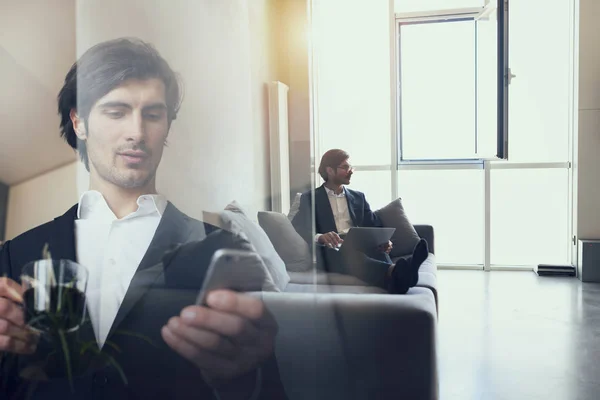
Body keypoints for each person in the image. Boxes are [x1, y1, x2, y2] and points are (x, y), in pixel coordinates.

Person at [0, 38, 287, 399]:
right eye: (116, 111)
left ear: (167, 125)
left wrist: (242, 381)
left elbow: (267, 389)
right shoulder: (15, 253)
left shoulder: (225, 251)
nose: (137, 132)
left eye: (152, 114)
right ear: (79, 122)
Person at [292, 149, 428, 294]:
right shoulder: (311, 197)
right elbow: (297, 227)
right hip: (331, 250)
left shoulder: (358, 197)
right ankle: (401, 273)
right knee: (351, 255)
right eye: (345, 167)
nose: (351, 171)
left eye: (350, 167)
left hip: (358, 243)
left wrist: (384, 241)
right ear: (330, 170)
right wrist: (320, 236)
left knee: (377, 251)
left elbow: (374, 225)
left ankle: (400, 278)